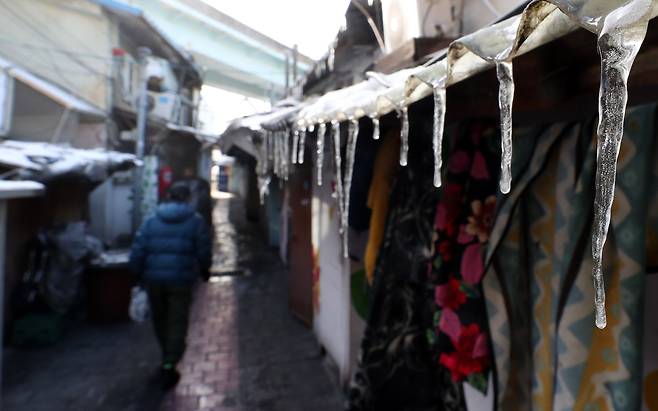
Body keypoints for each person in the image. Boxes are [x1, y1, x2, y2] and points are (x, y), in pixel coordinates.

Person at [129, 183, 212, 389]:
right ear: (187, 198)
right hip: (181, 280)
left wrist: (136, 274)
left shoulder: (151, 220)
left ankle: (166, 356)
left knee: (161, 320)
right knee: (177, 321)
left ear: (168, 196)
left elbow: (138, 250)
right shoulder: (195, 221)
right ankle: (169, 363)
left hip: (154, 281)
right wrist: (205, 269)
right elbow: (203, 250)